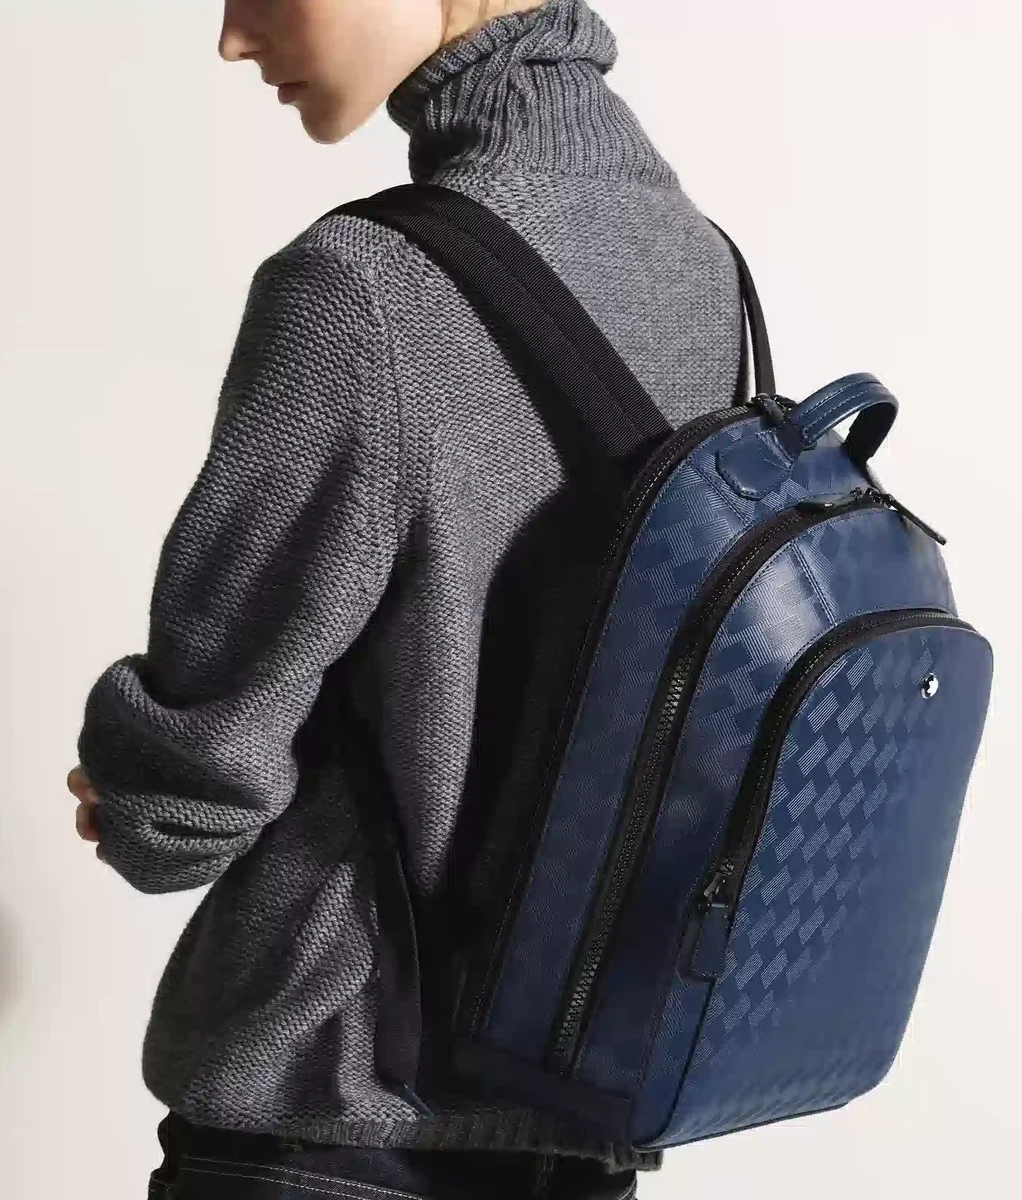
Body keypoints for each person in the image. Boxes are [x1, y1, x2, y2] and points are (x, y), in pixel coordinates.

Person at [67, 0, 743, 1195]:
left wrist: (145, 800)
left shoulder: (362, 286)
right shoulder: (707, 266)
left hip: (333, 1101)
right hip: (580, 1101)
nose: (232, 37)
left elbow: (203, 762)